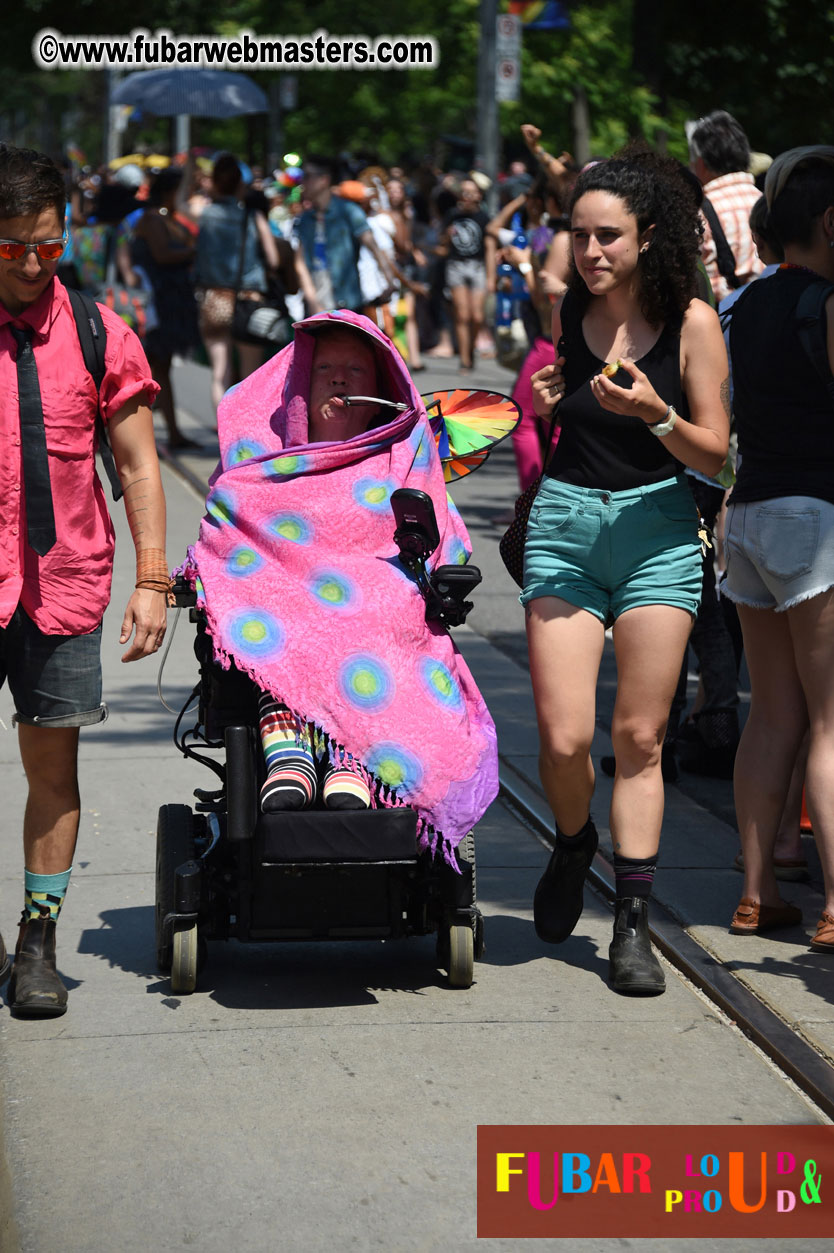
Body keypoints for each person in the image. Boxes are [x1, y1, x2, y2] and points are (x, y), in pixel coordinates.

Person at [184, 311, 498, 865]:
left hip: (378, 607)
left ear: (381, 387)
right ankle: (290, 755)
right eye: (325, 367)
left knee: (380, 610)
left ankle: (353, 757)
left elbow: (447, 538)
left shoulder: (405, 457)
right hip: (281, 605)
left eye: (356, 369)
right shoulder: (257, 472)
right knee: (271, 612)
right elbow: (222, 547)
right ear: (300, 385)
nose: (338, 379)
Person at [524, 150, 729, 995]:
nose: (591, 250)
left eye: (608, 235)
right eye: (579, 235)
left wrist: (659, 413)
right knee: (566, 738)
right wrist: (544, 401)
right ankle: (575, 842)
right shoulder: (569, 309)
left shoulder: (693, 323)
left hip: (659, 531)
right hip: (567, 527)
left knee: (639, 738)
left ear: (648, 237)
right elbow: (559, 408)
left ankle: (633, 922)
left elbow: (715, 454)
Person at [0, 144, 168, 1016]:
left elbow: (139, 469)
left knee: (51, 763)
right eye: (12, 247)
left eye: (48, 245)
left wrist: (153, 582)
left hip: (62, 584)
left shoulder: (101, 332)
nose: (32, 264)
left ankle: (38, 940)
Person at [720, 146, 834, 950]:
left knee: (770, 716)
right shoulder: (830, 304)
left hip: (750, 515)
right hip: (816, 517)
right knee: (832, 721)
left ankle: (757, 893)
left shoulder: (748, 302)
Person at [194, 153, 280, 417]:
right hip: (249, 298)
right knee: (250, 373)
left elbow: (181, 205)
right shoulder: (253, 218)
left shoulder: (204, 214)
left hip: (214, 298)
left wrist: (189, 170)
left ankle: (223, 432)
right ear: (240, 185)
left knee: (220, 373)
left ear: (216, 184)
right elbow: (274, 259)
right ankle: (247, 432)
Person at [131, 167, 200, 449]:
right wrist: (196, 250)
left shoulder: (168, 218)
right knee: (152, 367)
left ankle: (172, 432)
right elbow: (163, 254)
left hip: (170, 302)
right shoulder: (152, 219)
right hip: (158, 303)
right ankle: (154, 435)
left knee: (162, 367)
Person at [295, 156, 397, 315]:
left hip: (347, 302)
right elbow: (300, 263)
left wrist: (389, 280)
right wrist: (312, 301)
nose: (302, 183)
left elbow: (373, 246)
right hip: (314, 307)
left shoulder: (349, 211)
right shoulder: (304, 220)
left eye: (307, 177)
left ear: (324, 180)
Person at [689, 110, 764, 302]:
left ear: (701, 163)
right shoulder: (767, 200)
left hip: (726, 323)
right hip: (776, 315)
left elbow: (702, 284)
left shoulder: (700, 212)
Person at [438, 178, 495, 373]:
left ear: (479, 196)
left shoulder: (484, 217)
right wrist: (447, 234)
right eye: (464, 192)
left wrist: (491, 276)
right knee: (462, 315)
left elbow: (489, 248)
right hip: (456, 265)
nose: (467, 196)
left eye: (471, 192)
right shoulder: (452, 215)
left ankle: (470, 350)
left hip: (477, 266)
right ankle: (464, 359)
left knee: (477, 316)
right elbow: (443, 244)